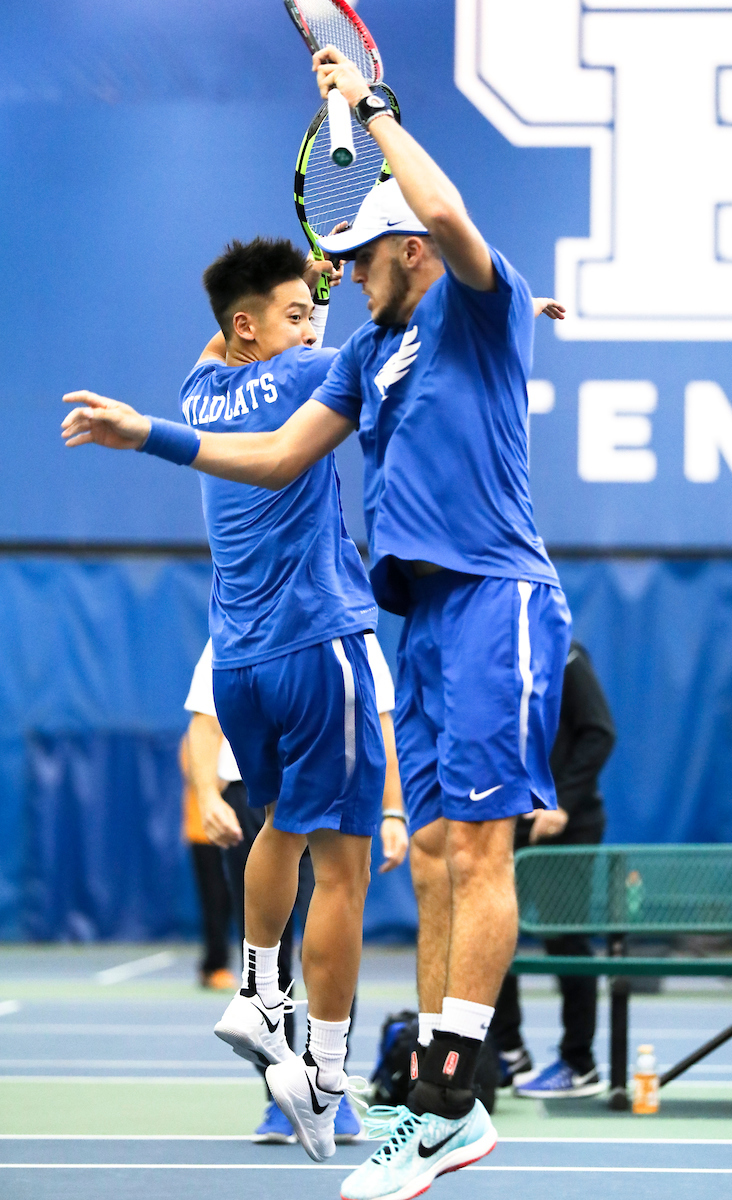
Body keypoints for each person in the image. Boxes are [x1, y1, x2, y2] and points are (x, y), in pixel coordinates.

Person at [61, 52, 571, 1193]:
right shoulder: (370, 357)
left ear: (408, 255)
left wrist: (370, 106)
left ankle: (446, 1099)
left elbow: (443, 208)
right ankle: (445, 1106)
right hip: (421, 623)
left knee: (478, 850)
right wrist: (149, 433)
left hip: (496, 597)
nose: (336, 273)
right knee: (434, 855)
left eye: (351, 258)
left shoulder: (475, 307)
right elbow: (278, 453)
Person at [62, 236, 387, 1164]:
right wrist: (511, 314)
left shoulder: (206, 382)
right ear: (251, 327)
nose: (310, 325)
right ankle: (324, 1076)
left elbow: (239, 336)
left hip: (239, 663)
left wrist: (308, 289)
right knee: (348, 869)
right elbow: (412, 333)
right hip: (320, 645)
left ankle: (256, 990)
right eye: (292, 316)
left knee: (279, 823)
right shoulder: (310, 374)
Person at [183, 631, 409, 1142]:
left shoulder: (354, 633)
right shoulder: (233, 629)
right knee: (275, 946)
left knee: (327, 929)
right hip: (258, 793)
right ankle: (280, 1098)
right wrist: (207, 795)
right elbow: (205, 719)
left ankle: (324, 1087)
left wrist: (394, 809)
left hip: (328, 783)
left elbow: (383, 724)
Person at [489, 640, 616, 1099]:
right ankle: (509, 1054)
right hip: (506, 823)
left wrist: (560, 802)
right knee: (493, 934)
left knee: (566, 938)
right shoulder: (492, 657)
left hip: (568, 826)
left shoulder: (567, 656)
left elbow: (600, 732)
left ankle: (579, 1063)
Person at [178, 733, 236, 990]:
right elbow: (200, 778)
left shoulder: (238, 731)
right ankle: (214, 966)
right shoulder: (196, 737)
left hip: (237, 830)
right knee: (214, 900)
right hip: (203, 832)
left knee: (234, 900)